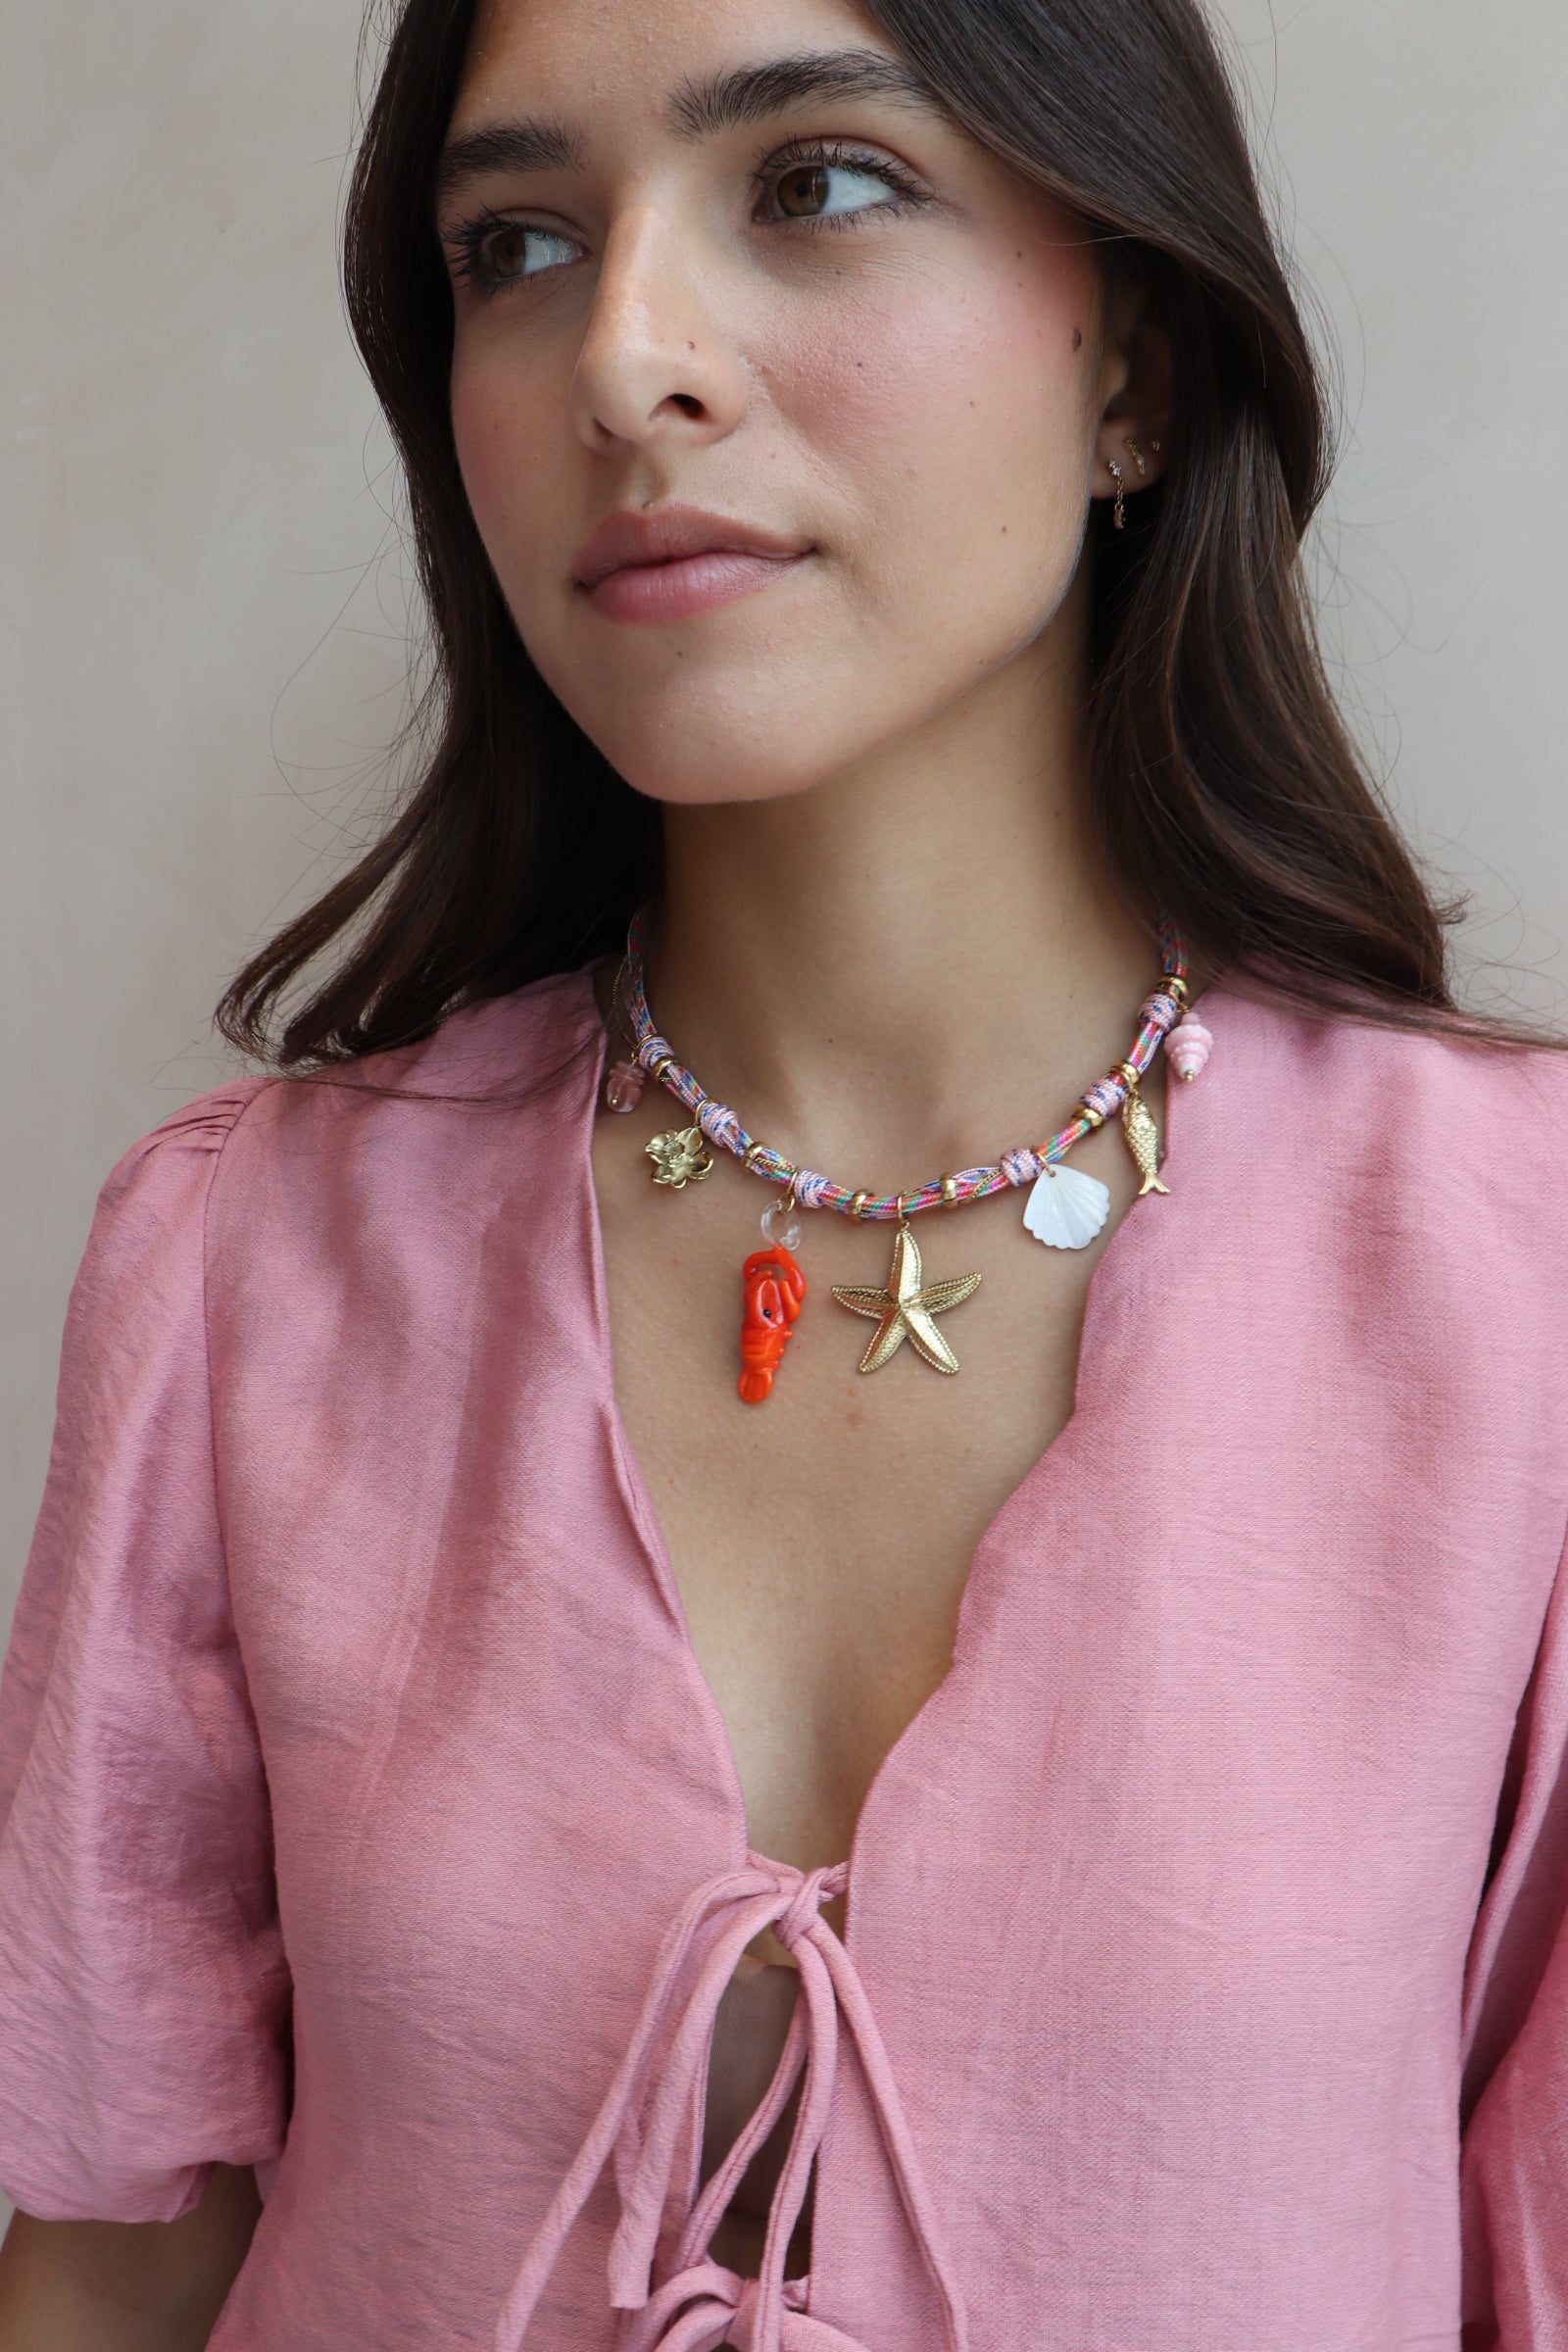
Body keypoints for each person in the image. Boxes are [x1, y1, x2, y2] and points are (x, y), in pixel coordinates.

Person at [1, 0, 1564, 2343]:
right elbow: (118, 2271)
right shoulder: (244, 1268)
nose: (623, 360)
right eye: (517, 244)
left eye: (817, 183)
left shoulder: (1517, 1285)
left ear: (1131, 371)